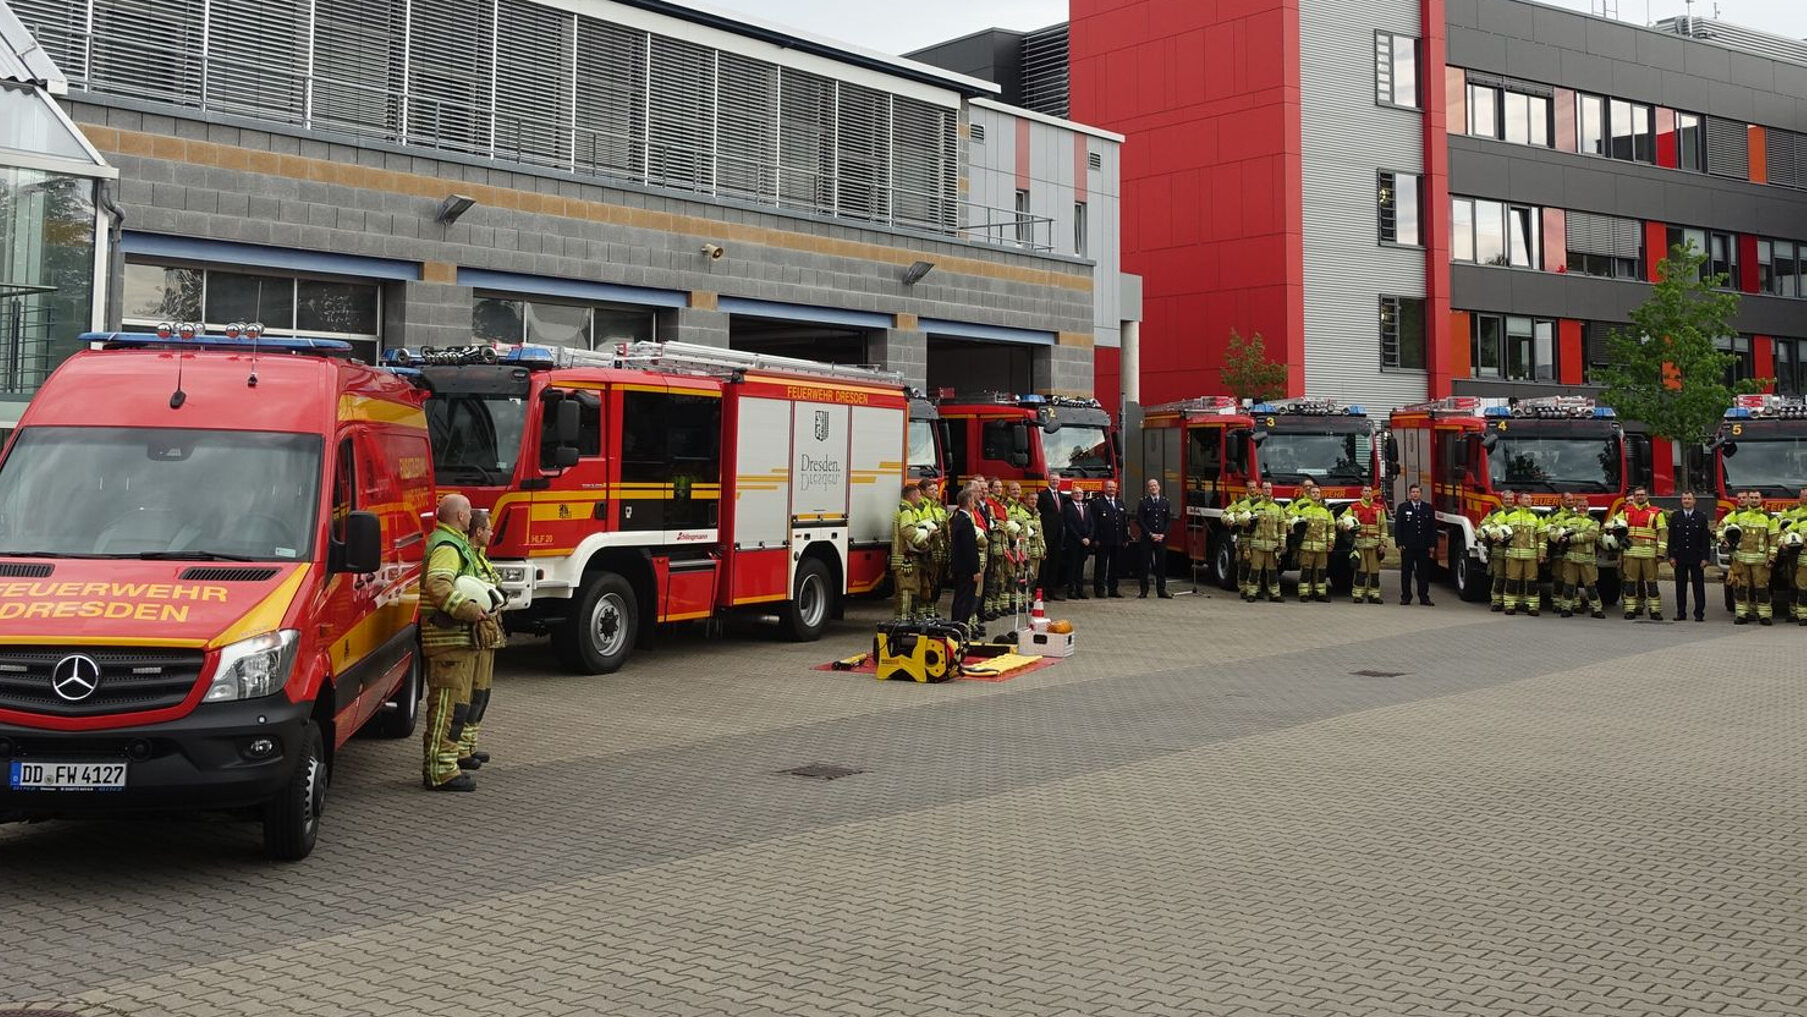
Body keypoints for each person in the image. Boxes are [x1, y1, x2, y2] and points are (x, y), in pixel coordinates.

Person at [420, 494, 489, 792]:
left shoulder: (453, 543)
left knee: (456, 708)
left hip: (456, 641)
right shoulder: (447, 547)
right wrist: (470, 610)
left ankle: (448, 766)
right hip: (447, 641)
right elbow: (438, 585)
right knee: (446, 708)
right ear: (461, 516)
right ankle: (439, 771)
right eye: (468, 513)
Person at [457, 509, 507, 773]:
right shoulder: (467, 560)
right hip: (475, 633)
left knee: (482, 692)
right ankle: (461, 750)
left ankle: (470, 744)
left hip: (488, 632)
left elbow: (495, 584)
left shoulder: (481, 558)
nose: (491, 533)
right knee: (471, 690)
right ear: (477, 532)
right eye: (488, 529)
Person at [1719, 489, 1781, 625]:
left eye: (1756, 498)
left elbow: (1774, 540)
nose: (1753, 500)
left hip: (1760, 561)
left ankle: (1764, 615)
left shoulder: (1770, 518)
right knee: (1741, 587)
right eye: (1751, 497)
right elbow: (1721, 526)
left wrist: (1772, 558)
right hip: (1741, 559)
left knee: (1762, 588)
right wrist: (1723, 539)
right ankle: (1742, 614)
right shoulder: (1738, 514)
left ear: (1761, 499)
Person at [1609, 486, 1668, 621]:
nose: (1640, 497)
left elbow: (1663, 534)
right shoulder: (1625, 511)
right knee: (1630, 582)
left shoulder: (1657, 512)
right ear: (1634, 497)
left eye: (1642, 494)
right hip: (1630, 553)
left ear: (1647, 496)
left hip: (1649, 554)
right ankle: (1630, 610)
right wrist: (1620, 538)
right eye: (1637, 495)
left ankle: (1655, 610)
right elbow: (1612, 525)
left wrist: (1660, 553)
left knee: (1651, 583)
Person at [1553, 493, 1604, 619]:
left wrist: (1571, 539)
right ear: (1576, 506)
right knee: (1569, 585)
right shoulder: (1567, 519)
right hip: (1570, 558)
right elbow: (1553, 529)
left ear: (1588, 507)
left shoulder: (1594, 521)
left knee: (1590, 586)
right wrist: (1559, 538)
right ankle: (1566, 608)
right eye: (1580, 506)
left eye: (1584, 506)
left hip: (1587, 559)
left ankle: (1596, 609)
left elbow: (1590, 536)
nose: (1582, 508)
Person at [1668, 490, 1711, 623]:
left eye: (1689, 499)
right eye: (1684, 499)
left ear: (1694, 501)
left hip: (1696, 557)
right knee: (1680, 587)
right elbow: (1671, 539)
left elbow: (1705, 540)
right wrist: (1671, 556)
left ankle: (1699, 613)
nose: (1686, 501)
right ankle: (1681, 612)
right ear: (1681, 501)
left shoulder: (1701, 517)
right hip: (1680, 557)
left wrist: (1705, 558)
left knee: (1698, 587)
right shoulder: (1675, 516)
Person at [1501, 491, 1546, 617]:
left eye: (1530, 499)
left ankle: (1532, 606)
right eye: (1526, 499)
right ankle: (1510, 605)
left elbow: (1542, 536)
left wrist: (1542, 553)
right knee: (1512, 580)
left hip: (1531, 555)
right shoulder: (1508, 514)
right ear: (1519, 500)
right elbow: (1494, 527)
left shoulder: (1536, 516)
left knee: (1531, 581)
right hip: (1513, 554)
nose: (1529, 501)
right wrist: (1496, 536)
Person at [1345, 485, 1389, 605]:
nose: (1368, 493)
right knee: (1361, 571)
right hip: (1360, 544)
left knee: (1374, 572)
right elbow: (1341, 519)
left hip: (1374, 545)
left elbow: (1384, 527)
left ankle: (1374, 595)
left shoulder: (1379, 508)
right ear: (1361, 492)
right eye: (1365, 491)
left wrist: (1383, 544)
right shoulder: (1354, 507)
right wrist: (1344, 525)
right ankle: (1358, 595)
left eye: (1370, 491)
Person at [1291, 486, 1335, 603]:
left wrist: (1330, 542)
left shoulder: (1326, 510)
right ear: (1309, 495)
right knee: (1306, 570)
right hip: (1306, 546)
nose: (1315, 494)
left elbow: (1331, 527)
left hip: (1321, 547)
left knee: (1321, 571)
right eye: (1313, 493)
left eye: (1317, 492)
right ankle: (1304, 593)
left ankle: (1320, 593)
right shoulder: (1301, 507)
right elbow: (1291, 519)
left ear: (1321, 495)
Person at [1394, 483, 1436, 606]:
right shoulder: (1403, 507)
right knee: (1406, 573)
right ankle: (1406, 597)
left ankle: (1424, 597)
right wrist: (1399, 543)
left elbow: (1432, 528)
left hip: (1423, 547)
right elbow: (1398, 527)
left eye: (1417, 492)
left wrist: (1432, 544)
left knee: (1423, 573)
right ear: (1409, 494)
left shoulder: (1428, 508)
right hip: (1408, 547)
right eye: (1413, 492)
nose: (1415, 494)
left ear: (1420, 494)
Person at [891, 482, 927, 620]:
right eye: (918, 495)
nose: (920, 499)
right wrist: (923, 542)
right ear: (911, 496)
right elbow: (907, 530)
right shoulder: (906, 510)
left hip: (900, 557)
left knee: (903, 589)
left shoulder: (902, 508)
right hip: (905, 559)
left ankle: (901, 618)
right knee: (907, 589)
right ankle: (904, 619)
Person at [949, 488, 983, 631]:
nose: (974, 504)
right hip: (966, 569)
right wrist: (975, 570)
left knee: (959, 598)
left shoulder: (957, 519)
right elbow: (970, 549)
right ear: (969, 502)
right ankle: (960, 626)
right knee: (965, 599)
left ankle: (956, 625)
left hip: (959, 567)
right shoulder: (966, 522)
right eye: (973, 501)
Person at [1246, 481, 1286, 603]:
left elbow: (1282, 525)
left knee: (1273, 572)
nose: (1267, 490)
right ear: (1261, 490)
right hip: (1257, 544)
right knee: (1255, 570)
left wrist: (1282, 542)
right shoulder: (1254, 504)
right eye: (1265, 488)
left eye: (1269, 488)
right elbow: (1246, 522)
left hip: (1272, 545)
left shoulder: (1278, 506)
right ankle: (1252, 593)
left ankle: (1274, 594)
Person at [1088, 480, 1128, 598]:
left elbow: (1123, 523)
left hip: (1117, 540)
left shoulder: (1120, 502)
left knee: (1115, 567)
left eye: (1113, 487)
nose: (1111, 489)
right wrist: (1095, 539)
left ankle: (1113, 589)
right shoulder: (1097, 503)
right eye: (1109, 487)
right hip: (1102, 540)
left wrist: (1125, 538)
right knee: (1101, 566)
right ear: (1104, 489)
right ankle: (1099, 590)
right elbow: (1093, 522)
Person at [1136, 478, 1173, 599]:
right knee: (1144, 565)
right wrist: (1150, 534)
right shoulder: (1143, 502)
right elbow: (1140, 520)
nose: (1153, 488)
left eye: (1155, 485)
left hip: (1161, 539)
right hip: (1147, 538)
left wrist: (1163, 534)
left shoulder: (1165, 502)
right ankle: (1144, 590)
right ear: (1148, 489)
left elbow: (1168, 520)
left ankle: (1161, 590)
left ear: (1159, 487)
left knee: (1161, 565)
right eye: (1151, 486)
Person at [1477, 492, 1513, 612]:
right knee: (1499, 577)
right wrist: (1489, 537)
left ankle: (1510, 602)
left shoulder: (1518, 514)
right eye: (1506, 499)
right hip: (1498, 551)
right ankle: (1496, 602)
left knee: (1513, 578)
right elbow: (1480, 529)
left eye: (1511, 499)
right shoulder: (1494, 514)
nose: (1509, 501)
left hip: (1514, 551)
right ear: (1502, 499)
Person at [920, 478, 949, 611]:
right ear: (922, 491)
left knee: (937, 582)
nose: (934, 492)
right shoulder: (921, 507)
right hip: (928, 550)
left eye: (936, 490)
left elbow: (946, 529)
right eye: (931, 489)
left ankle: (932, 610)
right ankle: (924, 611)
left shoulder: (940, 508)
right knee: (927, 582)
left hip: (940, 551)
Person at [1036, 475, 1066, 600]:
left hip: (1059, 534)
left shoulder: (1061, 495)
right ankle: (1041, 592)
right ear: (1049, 481)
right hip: (1047, 533)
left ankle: (1051, 591)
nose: (1055, 482)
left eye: (1057, 480)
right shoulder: (1043, 495)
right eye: (1053, 480)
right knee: (1045, 563)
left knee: (1055, 562)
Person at [1062, 485, 1093, 599]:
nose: (1078, 495)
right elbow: (1070, 526)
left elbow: (1091, 524)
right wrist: (1081, 539)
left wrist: (1089, 538)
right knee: (1072, 567)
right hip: (1074, 542)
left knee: (1080, 568)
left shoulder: (1087, 507)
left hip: (1085, 543)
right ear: (1072, 495)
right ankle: (1071, 591)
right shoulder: (1068, 507)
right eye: (1076, 493)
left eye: (1080, 493)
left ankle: (1080, 590)